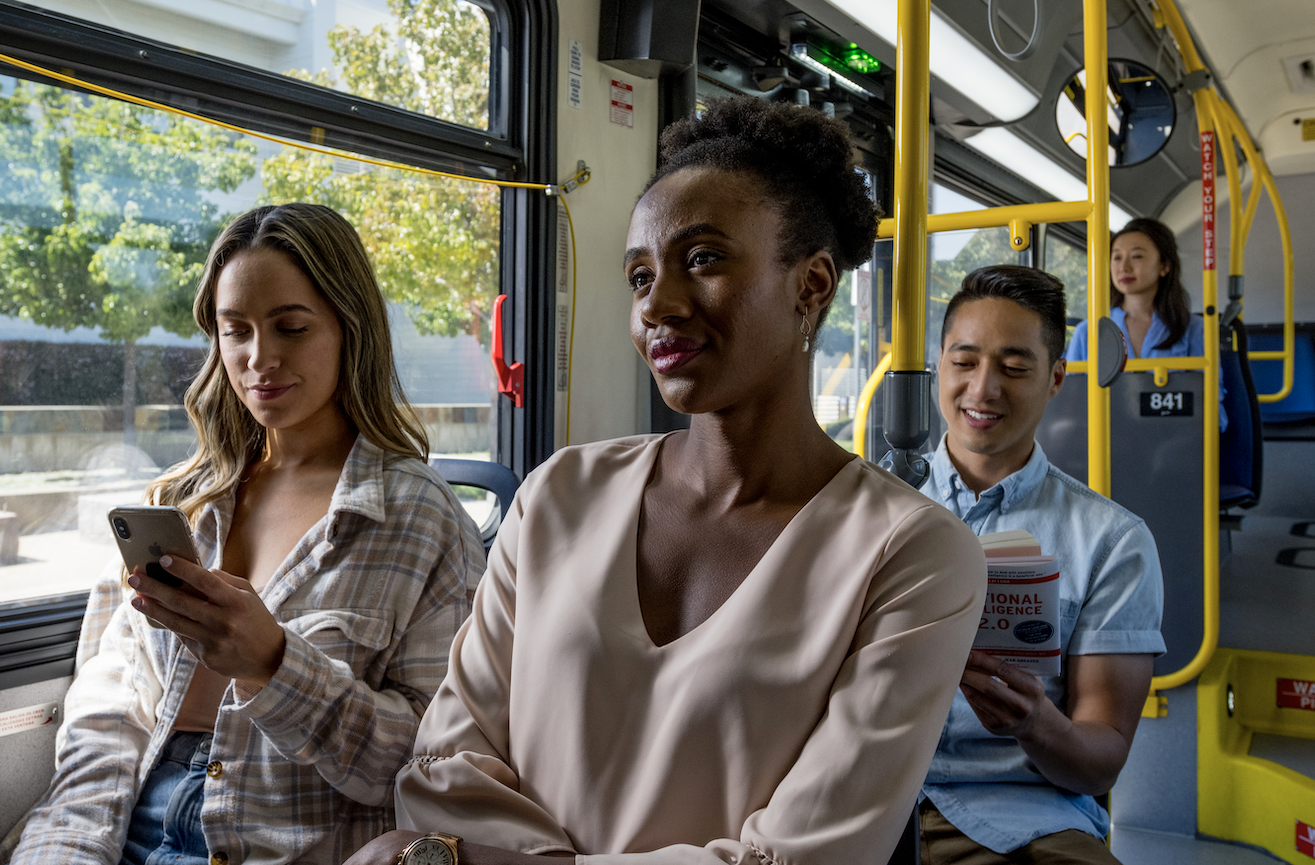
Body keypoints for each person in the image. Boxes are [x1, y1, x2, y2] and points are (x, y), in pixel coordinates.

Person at [344, 97, 986, 865]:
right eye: (639, 276)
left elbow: (807, 857)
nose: (660, 305)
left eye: (704, 260)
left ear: (812, 285)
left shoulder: (911, 554)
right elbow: (448, 763)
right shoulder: (559, 496)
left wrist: (470, 861)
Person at [0, 204, 485, 865]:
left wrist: (275, 665)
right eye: (236, 332)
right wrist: (67, 846)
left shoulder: (419, 519)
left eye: (290, 327)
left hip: (282, 841)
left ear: (350, 329)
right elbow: (110, 710)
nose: (260, 359)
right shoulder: (186, 501)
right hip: (134, 821)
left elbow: (431, 762)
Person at [918, 265, 1165, 865]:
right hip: (861, 794)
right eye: (964, 362)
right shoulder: (868, 503)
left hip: (1019, 808)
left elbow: (1100, 756)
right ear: (937, 367)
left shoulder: (1112, 541)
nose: (982, 390)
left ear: (1056, 379)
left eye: (1014, 367)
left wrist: (1035, 723)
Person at [1064, 217, 1224, 428]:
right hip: (1108, 438)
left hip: (1174, 436)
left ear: (1164, 266)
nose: (1124, 267)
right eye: (1117, 258)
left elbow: (1211, 403)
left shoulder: (1194, 329)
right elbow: (1072, 402)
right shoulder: (1088, 332)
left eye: (1137, 256)